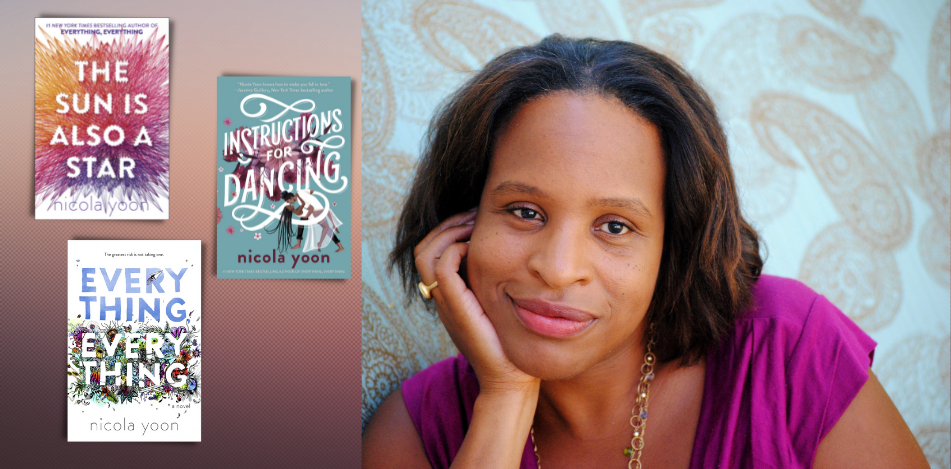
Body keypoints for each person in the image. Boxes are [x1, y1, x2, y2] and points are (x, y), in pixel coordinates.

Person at [362, 36, 929, 469]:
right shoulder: (413, 432)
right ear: (462, 224)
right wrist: (505, 400)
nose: (559, 268)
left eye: (614, 226)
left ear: (673, 245)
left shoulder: (789, 354)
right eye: (524, 212)